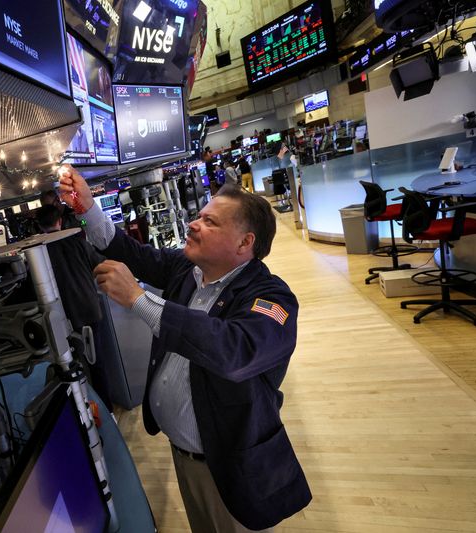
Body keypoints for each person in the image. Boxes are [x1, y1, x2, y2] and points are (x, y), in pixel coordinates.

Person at [58, 164, 310, 532]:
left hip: (230, 465)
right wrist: (87, 209)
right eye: (199, 216)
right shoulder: (188, 270)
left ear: (245, 243)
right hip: (185, 456)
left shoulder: (271, 298)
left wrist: (139, 300)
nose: (194, 224)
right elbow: (133, 253)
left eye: (211, 222)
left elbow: (233, 351)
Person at [35, 204, 114, 411]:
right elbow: (101, 263)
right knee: (97, 363)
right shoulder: (77, 241)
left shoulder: (39, 253)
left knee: (71, 366)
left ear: (39, 226)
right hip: (90, 310)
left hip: (64, 319)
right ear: (59, 221)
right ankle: (107, 411)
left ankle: (84, 410)